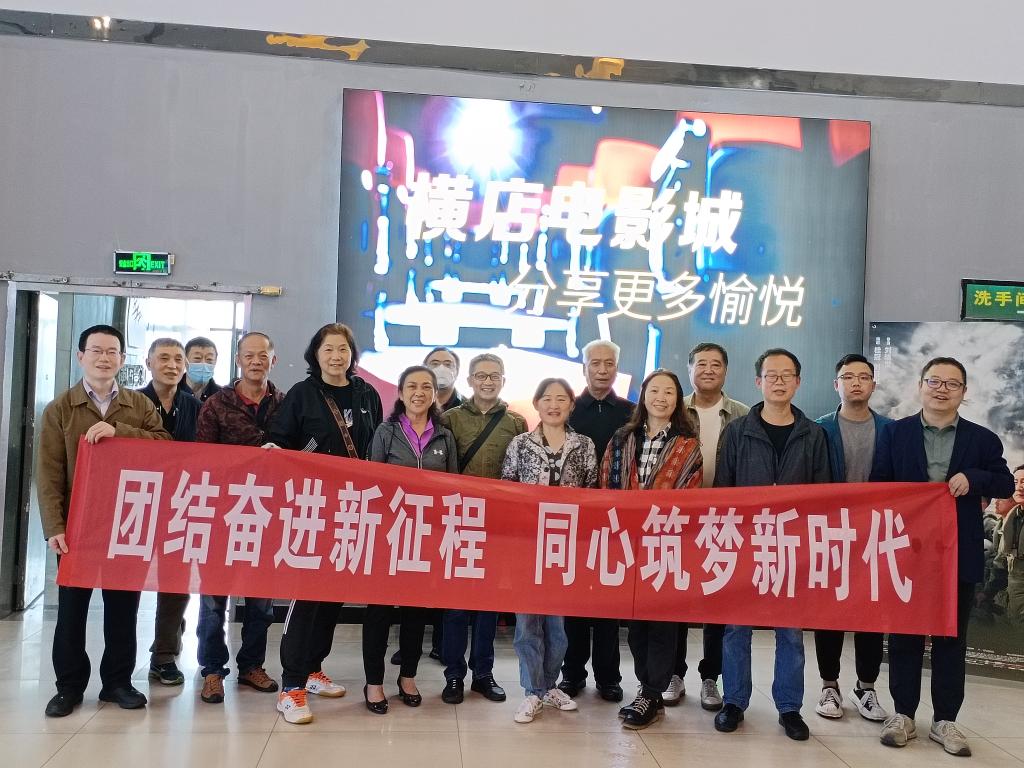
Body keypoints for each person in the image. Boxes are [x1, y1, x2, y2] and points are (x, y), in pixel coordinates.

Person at [872, 356, 1014, 757]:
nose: (942, 389)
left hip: (957, 553)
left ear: (963, 393)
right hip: (907, 551)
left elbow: (1005, 484)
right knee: (905, 635)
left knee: (952, 637)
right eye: (934, 381)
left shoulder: (981, 439)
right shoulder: (896, 433)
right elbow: (879, 485)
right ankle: (903, 714)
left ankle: (945, 720)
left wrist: (975, 478)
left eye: (952, 384)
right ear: (920, 385)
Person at [37, 324, 171, 717]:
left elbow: (165, 446)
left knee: (122, 611)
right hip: (77, 528)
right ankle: (68, 688)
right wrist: (54, 526)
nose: (104, 358)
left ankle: (117, 683)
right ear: (81, 356)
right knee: (71, 612)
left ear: (122, 359)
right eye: (95, 350)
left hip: (127, 524)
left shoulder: (138, 405)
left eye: (112, 351)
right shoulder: (61, 408)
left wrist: (119, 431)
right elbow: (48, 473)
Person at [268, 322, 383, 724]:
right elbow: (279, 441)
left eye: (343, 349)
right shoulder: (302, 394)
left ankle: (314, 669)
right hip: (312, 508)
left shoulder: (367, 395)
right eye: (328, 349)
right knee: (307, 596)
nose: (336, 356)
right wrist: (273, 449)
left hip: (352, 509)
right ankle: (291, 687)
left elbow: (376, 448)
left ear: (352, 355)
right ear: (315, 354)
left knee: (334, 593)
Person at [713, 348, 830, 742]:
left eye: (786, 375)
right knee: (736, 628)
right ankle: (734, 701)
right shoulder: (737, 431)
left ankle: (789, 707)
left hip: (793, 547)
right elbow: (723, 491)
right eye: (771, 375)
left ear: (798, 381)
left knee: (791, 632)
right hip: (745, 544)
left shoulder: (813, 434)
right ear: (758, 382)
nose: (779, 381)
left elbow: (824, 497)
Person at [600, 369, 703, 730]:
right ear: (643, 396)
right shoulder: (622, 438)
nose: (661, 398)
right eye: (654, 390)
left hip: (666, 544)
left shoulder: (687, 444)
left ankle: (651, 691)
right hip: (627, 543)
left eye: (669, 392)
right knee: (635, 622)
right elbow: (606, 486)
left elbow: (689, 494)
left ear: (678, 400)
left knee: (662, 620)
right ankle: (649, 690)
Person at [194, 332, 284, 706]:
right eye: (249, 355)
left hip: (267, 517)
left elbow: (302, 453)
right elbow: (203, 461)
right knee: (213, 603)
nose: (256, 361)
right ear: (238, 360)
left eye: (263, 355)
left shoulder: (285, 404)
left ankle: (251, 665)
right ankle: (212, 670)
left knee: (261, 603)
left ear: (273, 360)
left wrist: (283, 454)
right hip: (222, 516)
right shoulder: (215, 405)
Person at [502, 378, 598, 723]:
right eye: (547, 398)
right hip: (527, 546)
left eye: (561, 399)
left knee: (558, 625)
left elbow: (593, 494)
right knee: (528, 623)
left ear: (572, 404)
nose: (554, 405)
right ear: (537, 403)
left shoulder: (584, 445)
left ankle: (549, 686)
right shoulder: (520, 444)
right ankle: (532, 691)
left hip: (565, 547)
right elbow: (507, 490)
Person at [364, 365, 458, 714]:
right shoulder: (386, 432)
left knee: (416, 611)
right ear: (401, 393)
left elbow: (454, 487)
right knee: (379, 611)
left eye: (426, 387)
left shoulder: (444, 437)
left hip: (426, 537)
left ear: (435, 394)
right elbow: (373, 483)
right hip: (389, 536)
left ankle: (407, 676)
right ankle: (374, 682)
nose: (419, 392)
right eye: (412, 386)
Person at [439, 352, 527, 704]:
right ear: (469, 380)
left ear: (503, 381)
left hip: (498, 526)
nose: (487, 381)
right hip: (459, 522)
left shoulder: (516, 423)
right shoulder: (450, 419)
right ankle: (453, 675)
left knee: (489, 605)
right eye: (481, 375)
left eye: (494, 376)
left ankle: (483, 674)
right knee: (456, 606)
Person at [812, 354, 892, 722]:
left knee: (871, 613)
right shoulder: (819, 429)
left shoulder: (892, 430)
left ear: (873, 384)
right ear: (836, 384)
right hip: (831, 533)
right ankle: (829, 686)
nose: (856, 382)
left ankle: (866, 687)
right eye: (848, 376)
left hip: (876, 533)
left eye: (863, 376)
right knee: (829, 611)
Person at [674, 342, 749, 711]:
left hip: (724, 521)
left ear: (725, 371)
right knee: (674, 598)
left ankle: (710, 678)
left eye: (715, 364)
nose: (708, 370)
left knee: (717, 600)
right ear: (689, 369)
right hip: (679, 520)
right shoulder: (675, 410)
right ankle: (673, 673)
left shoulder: (743, 415)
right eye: (700, 363)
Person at [559, 340, 633, 703]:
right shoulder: (569, 409)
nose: (602, 370)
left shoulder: (632, 412)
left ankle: (608, 677)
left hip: (618, 521)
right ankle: (572, 674)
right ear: (584, 367)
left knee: (609, 602)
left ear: (617, 368)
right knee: (573, 601)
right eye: (595, 363)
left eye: (609, 363)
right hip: (576, 520)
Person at [139, 338, 202, 687]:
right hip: (139, 501)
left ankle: (163, 655)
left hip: (182, 503)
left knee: (175, 579)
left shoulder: (196, 407)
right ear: (148, 362)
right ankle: (123, 655)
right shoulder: (131, 402)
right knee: (129, 580)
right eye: (163, 358)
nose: (172, 365)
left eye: (178, 359)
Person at [984, 465, 1024, 629]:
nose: (1019, 487)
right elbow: (1001, 563)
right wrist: (987, 593)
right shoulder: (1012, 520)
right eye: (1016, 482)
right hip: (1012, 601)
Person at [180, 336, 222, 401]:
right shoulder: (172, 391)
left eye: (209, 359)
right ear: (185, 361)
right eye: (197, 358)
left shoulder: (222, 396)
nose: (203, 363)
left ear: (215, 362)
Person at [424, 346, 464, 411]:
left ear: (457, 372)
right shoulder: (413, 404)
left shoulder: (470, 408)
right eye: (435, 364)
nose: (441, 369)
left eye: (448, 364)